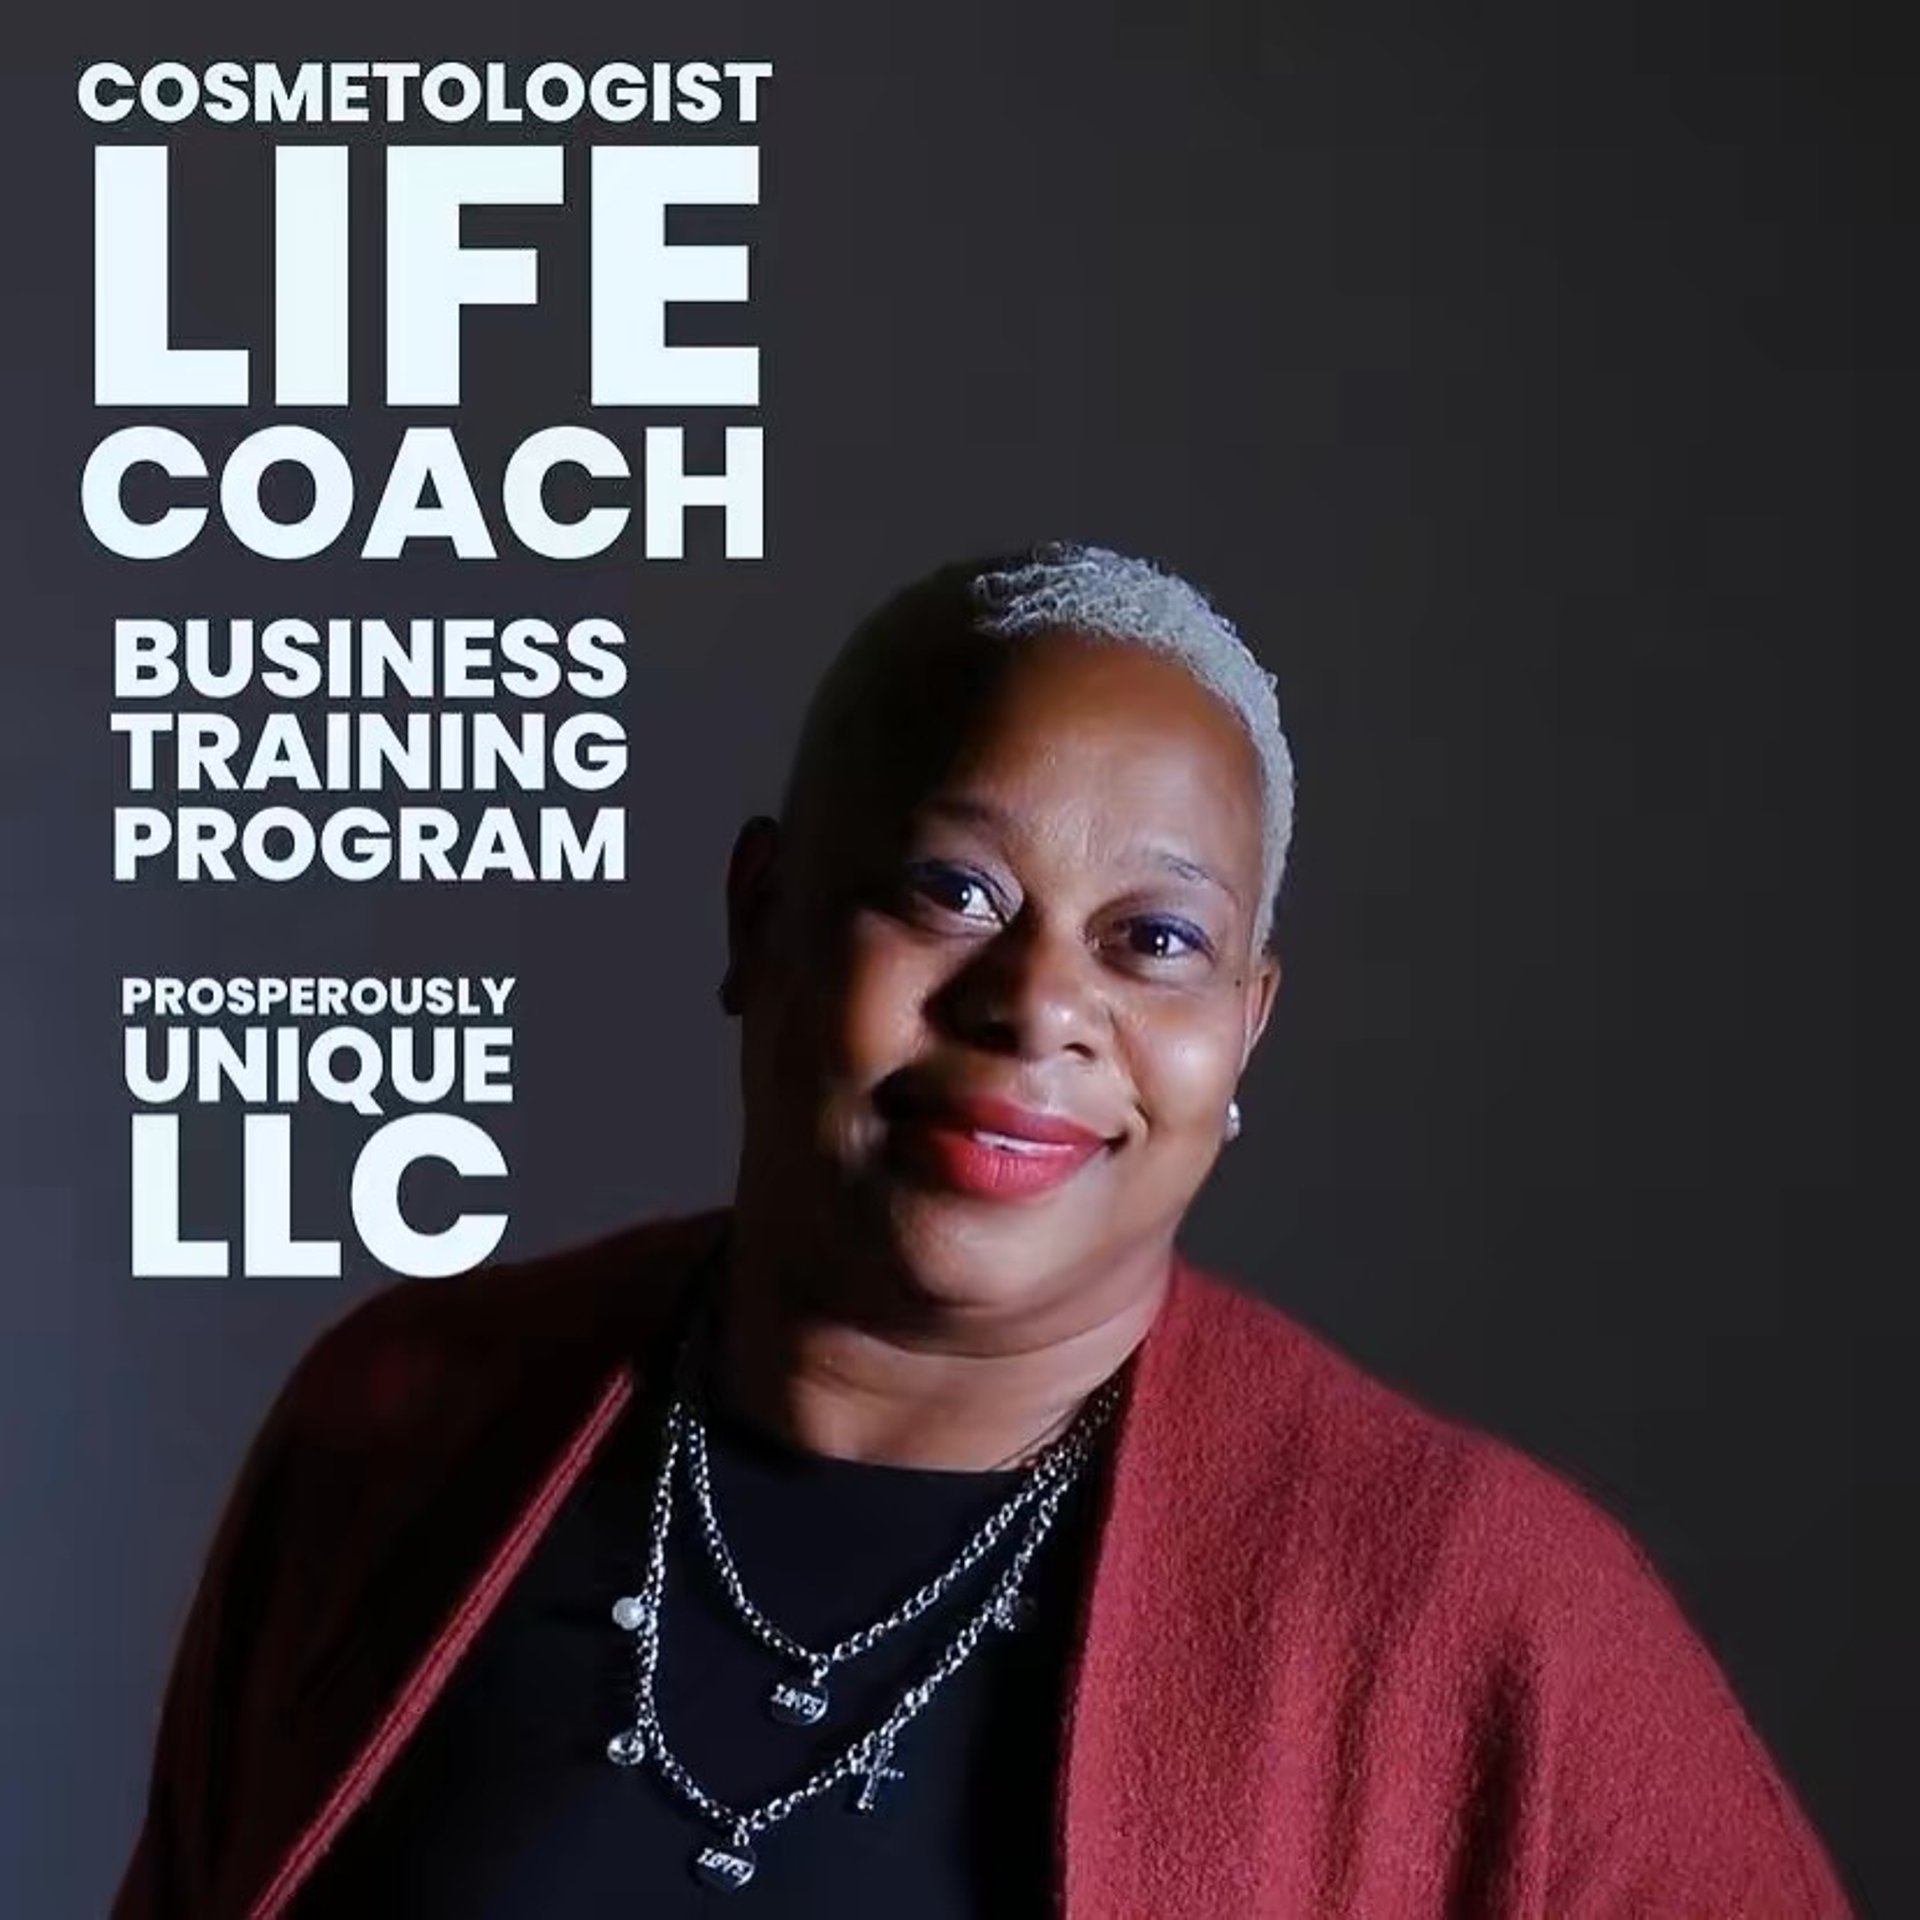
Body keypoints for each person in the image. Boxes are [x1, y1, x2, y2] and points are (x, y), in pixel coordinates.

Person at [113, 543, 1851, 1918]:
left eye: (1155, 939)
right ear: (763, 917)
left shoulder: (1476, 1603)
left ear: (1245, 1028)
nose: (1041, 1005)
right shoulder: (404, 1420)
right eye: (956, 890)